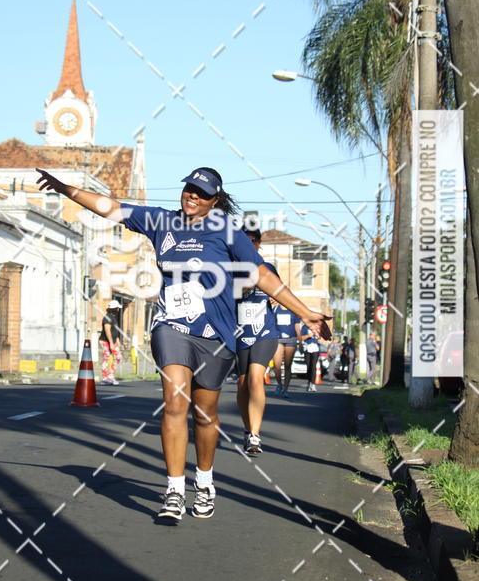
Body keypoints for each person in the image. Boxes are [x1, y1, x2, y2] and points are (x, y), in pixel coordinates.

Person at [36, 165, 331, 522]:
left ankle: (204, 481)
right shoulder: (161, 221)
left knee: (204, 416)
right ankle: (174, 489)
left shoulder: (226, 231)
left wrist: (305, 313)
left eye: (203, 193)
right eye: (190, 188)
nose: (193, 196)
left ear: (215, 200)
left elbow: (262, 274)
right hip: (171, 325)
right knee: (174, 402)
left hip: (216, 334)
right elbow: (109, 207)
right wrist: (68, 189)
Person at [235, 228, 280, 456]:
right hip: (240, 334)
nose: (249, 244)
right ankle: (246, 428)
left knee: (255, 379)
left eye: (253, 241)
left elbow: (279, 292)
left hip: (265, 331)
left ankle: (255, 434)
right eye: (244, 241)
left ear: (259, 243)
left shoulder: (268, 268)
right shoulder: (230, 267)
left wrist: (276, 296)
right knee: (242, 384)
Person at [272, 305, 302, 399]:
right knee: (277, 365)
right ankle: (279, 384)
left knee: (288, 365)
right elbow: (271, 324)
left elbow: (297, 325)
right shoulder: (275, 309)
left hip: (291, 339)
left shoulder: (293, 309)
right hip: (278, 338)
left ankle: (286, 389)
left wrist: (300, 341)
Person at [100, 300, 122, 385]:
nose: (118, 310)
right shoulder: (107, 317)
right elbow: (107, 330)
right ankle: (105, 377)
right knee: (107, 358)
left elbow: (114, 331)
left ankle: (111, 376)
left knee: (117, 357)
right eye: (117, 308)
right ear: (115, 309)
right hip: (105, 341)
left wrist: (117, 341)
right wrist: (111, 343)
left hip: (113, 341)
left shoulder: (113, 317)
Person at [300, 326, 321, 392]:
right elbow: (301, 338)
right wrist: (309, 335)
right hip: (307, 348)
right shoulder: (304, 327)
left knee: (313, 367)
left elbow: (320, 338)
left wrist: (316, 333)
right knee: (308, 367)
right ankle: (309, 382)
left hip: (315, 348)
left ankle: (313, 384)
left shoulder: (317, 326)